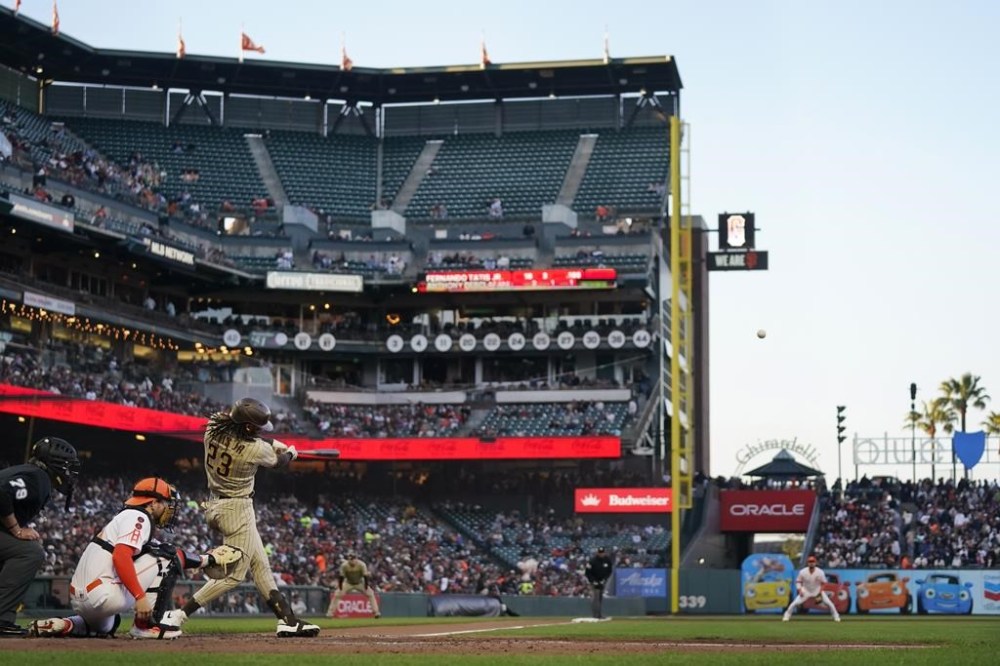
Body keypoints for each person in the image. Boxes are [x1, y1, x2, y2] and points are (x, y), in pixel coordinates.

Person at [159, 398, 320, 638]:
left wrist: (278, 444)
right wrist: (290, 453)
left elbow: (256, 438)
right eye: (255, 427)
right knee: (235, 575)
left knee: (260, 565)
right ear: (247, 427)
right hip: (237, 510)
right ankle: (178, 614)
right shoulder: (254, 449)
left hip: (215, 503)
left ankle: (288, 619)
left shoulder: (214, 425)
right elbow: (277, 462)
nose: (258, 431)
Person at [29, 477, 221, 639]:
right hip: (100, 593)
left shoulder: (126, 516)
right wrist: (140, 596)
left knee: (107, 626)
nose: (168, 508)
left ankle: (65, 624)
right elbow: (121, 556)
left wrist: (205, 559)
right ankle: (145, 626)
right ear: (152, 503)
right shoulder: (139, 517)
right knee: (167, 556)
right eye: (165, 503)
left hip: (82, 598)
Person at [0, 437, 80, 637]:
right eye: (67, 467)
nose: (69, 473)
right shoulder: (39, 478)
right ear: (57, 464)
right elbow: (1, 493)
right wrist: (16, 529)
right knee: (29, 551)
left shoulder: (27, 472)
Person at [782, 555, 841, 622]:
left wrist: (820, 591)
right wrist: (799, 589)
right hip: (806, 591)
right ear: (808, 563)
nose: (811, 563)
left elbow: (824, 583)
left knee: (830, 604)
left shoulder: (820, 572)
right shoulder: (803, 572)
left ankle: (836, 616)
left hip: (817, 590)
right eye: (810, 561)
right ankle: (786, 616)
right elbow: (798, 581)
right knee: (794, 604)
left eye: (813, 561)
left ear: (815, 563)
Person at [327, 552, 380, 618]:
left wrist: (366, 586)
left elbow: (365, 577)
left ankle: (376, 612)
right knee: (337, 594)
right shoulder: (344, 565)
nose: (352, 561)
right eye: (350, 559)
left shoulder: (361, 564)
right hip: (348, 583)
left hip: (360, 582)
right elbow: (341, 577)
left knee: (370, 593)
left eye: (353, 559)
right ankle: (330, 613)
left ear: (356, 559)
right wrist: (340, 587)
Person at [585, 546, 614, 619]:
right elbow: (588, 573)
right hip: (594, 581)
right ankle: (595, 615)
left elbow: (609, 571)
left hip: (602, 581)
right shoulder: (592, 561)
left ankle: (599, 614)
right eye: (600, 553)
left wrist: (604, 580)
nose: (601, 554)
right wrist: (593, 581)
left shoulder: (607, 560)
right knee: (596, 597)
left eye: (602, 552)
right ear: (597, 553)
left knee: (600, 597)